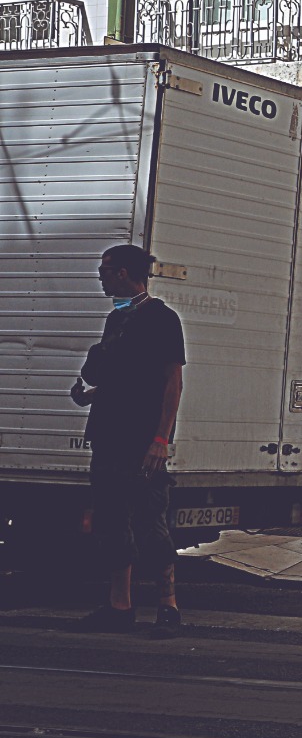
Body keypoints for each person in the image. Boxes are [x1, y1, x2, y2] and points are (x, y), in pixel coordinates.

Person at [70, 244, 187, 637]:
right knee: (111, 519)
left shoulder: (162, 318)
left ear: (123, 273)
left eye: (105, 271)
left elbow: (173, 381)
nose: (100, 277)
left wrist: (161, 437)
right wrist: (91, 394)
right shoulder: (116, 319)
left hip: (142, 439)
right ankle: (119, 605)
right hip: (108, 437)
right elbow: (120, 378)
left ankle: (167, 606)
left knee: (150, 520)